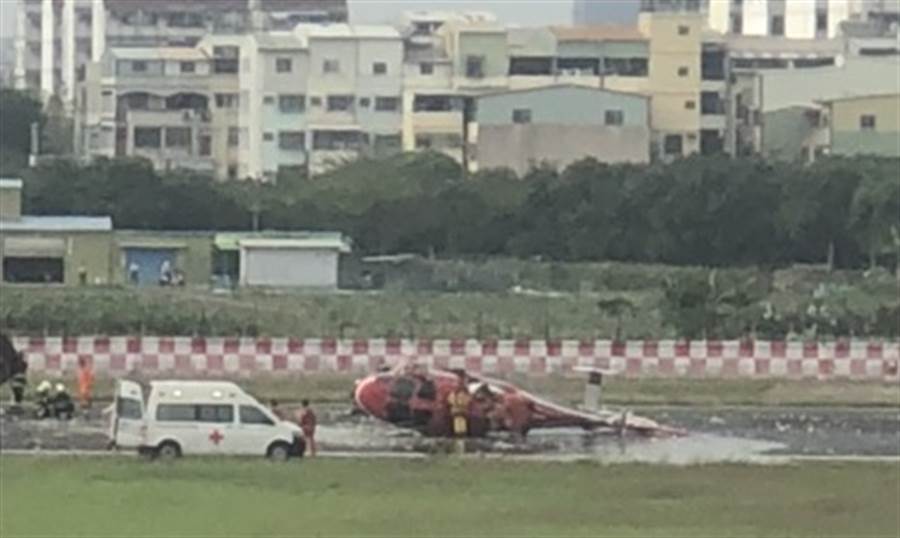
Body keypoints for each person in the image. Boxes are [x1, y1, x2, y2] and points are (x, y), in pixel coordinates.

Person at [446, 374, 471, 452]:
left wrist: (457, 401)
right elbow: (450, 400)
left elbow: (465, 401)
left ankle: (461, 448)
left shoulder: (463, 393)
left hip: (460, 413)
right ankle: (458, 447)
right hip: (457, 413)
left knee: (461, 431)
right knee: (458, 431)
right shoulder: (454, 393)